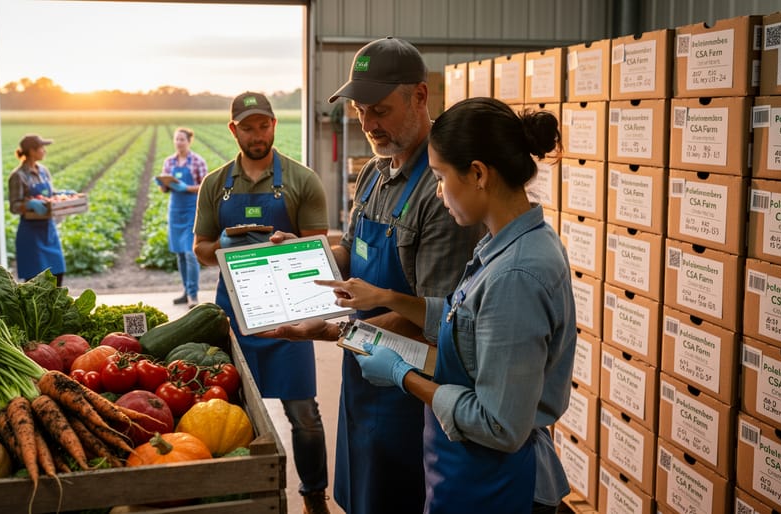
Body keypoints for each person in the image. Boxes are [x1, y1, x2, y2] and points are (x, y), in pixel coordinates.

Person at [301, 98, 576, 513]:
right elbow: (463, 321)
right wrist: (385, 299)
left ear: (479, 174)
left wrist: (402, 375)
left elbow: (497, 425)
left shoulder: (516, 275)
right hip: (468, 475)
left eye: (441, 177)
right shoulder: (505, 245)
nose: (437, 191)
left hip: (498, 486)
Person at [266, 37, 484, 514]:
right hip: (362, 367)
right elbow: (352, 248)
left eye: (380, 110)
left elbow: (435, 316)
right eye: (361, 111)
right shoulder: (373, 172)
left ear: (420, 97)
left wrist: (331, 331)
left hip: (412, 388)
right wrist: (305, 254)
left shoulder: (442, 190)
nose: (368, 125)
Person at [193, 92, 332, 514]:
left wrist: (280, 248)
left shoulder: (301, 180)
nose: (258, 134)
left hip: (289, 310)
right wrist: (225, 246)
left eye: (264, 125)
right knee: (233, 413)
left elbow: (318, 248)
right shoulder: (216, 185)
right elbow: (200, 247)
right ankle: (246, 498)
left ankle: (313, 496)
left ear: (274, 125)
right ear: (234, 129)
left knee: (303, 412)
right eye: (248, 127)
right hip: (234, 314)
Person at [156, 127, 208, 307]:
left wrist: (186, 187)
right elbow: (163, 189)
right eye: (176, 139)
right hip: (175, 211)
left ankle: (194, 294)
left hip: (191, 210)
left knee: (190, 253)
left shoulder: (197, 161)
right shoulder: (169, 162)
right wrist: (164, 184)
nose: (179, 142)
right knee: (180, 254)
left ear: (189, 141)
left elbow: (204, 186)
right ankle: (186, 291)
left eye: (182, 140)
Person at [8, 134, 68, 286]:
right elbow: (14, 206)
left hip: (49, 231)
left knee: (58, 274)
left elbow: (49, 194)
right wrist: (29, 205)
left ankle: (55, 309)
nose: (44, 151)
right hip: (31, 234)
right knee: (36, 283)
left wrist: (63, 194)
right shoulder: (18, 176)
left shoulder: (43, 171)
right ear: (32, 151)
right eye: (42, 148)